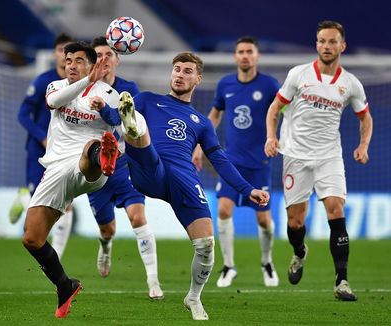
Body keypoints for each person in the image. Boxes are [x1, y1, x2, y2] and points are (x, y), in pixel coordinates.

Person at [95, 52, 270, 320]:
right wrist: (105, 109)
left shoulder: (202, 123)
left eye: (187, 71)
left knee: (206, 245)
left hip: (183, 179)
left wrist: (247, 189)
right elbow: (113, 119)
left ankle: (193, 297)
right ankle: (134, 126)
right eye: (176, 69)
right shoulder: (147, 100)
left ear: (198, 79)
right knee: (138, 135)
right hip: (148, 171)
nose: (180, 74)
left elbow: (220, 160)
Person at [264, 20, 373, 301]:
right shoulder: (298, 75)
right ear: (317, 44)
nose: (327, 46)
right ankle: (300, 253)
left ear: (342, 46)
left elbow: (365, 118)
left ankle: (342, 281)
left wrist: (363, 145)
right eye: (322, 41)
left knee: (336, 212)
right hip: (296, 157)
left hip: (329, 157)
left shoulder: (351, 84)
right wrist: (271, 137)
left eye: (332, 41)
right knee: (295, 221)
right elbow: (275, 108)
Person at [22, 41, 121, 319]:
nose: (71, 65)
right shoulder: (56, 86)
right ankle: (65, 286)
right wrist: (88, 80)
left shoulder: (109, 94)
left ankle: (102, 156)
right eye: (69, 60)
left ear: (91, 63)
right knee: (32, 238)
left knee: (91, 146)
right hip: (55, 169)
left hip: (92, 169)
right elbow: (53, 103)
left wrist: (105, 111)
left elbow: (118, 124)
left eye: (79, 60)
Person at [192, 36, 280, 288]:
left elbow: (281, 111)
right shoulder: (225, 84)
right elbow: (215, 113)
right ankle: (229, 266)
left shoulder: (269, 85)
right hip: (231, 163)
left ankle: (267, 262)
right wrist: (199, 144)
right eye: (240, 51)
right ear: (235, 56)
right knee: (223, 210)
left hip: (259, 164)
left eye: (249, 52)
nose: (244, 56)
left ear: (257, 56)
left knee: (263, 220)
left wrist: (276, 137)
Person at [87, 36, 163, 300]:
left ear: (118, 58)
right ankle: (105, 246)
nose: (104, 59)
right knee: (107, 229)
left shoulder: (129, 89)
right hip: (95, 171)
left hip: (124, 166)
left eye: (109, 54)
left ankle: (153, 281)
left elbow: (133, 125)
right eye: (98, 55)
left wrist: (114, 128)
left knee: (138, 218)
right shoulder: (83, 90)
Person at [9, 33, 74, 260]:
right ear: (55, 54)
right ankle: (24, 197)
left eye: (69, 51)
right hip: (39, 151)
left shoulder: (79, 86)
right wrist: (42, 137)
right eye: (61, 50)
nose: (65, 55)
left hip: (64, 153)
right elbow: (23, 115)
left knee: (65, 204)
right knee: (39, 202)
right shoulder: (42, 81)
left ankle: (58, 255)